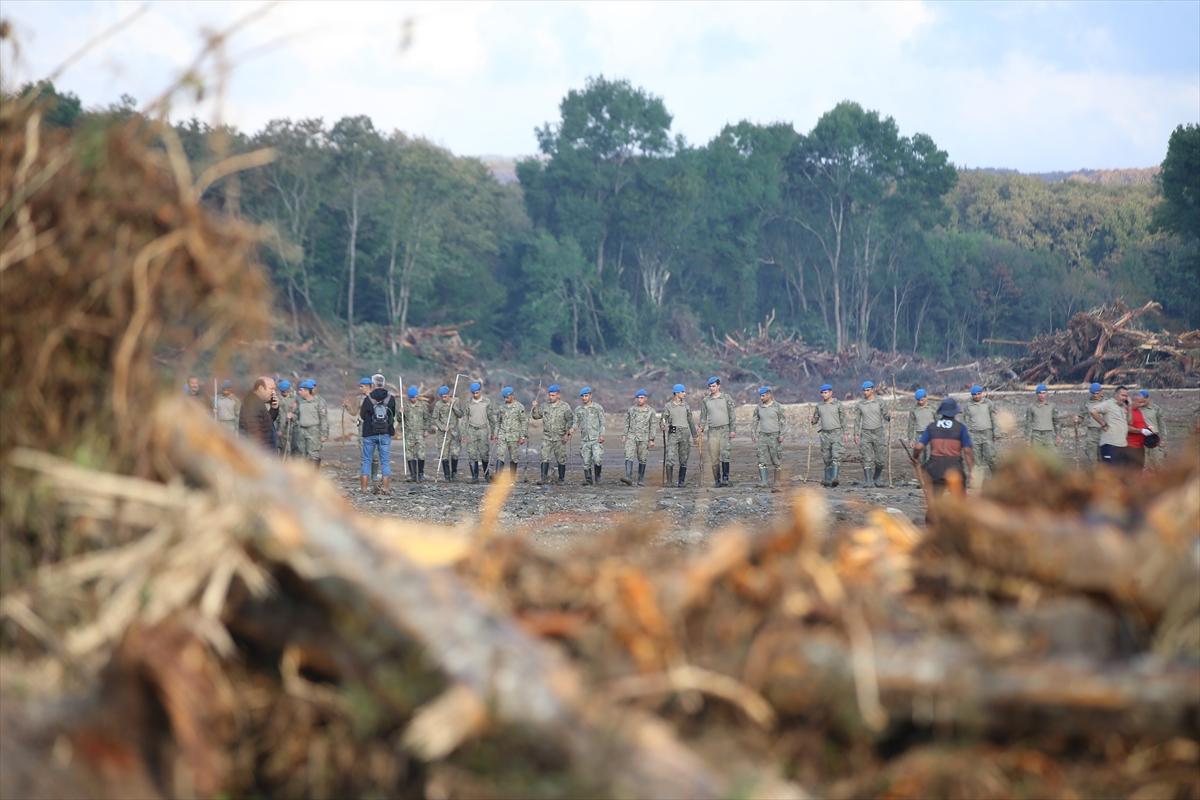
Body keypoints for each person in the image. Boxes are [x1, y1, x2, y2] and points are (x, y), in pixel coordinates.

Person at [913, 397, 975, 510]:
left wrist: (915, 458)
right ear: (955, 412)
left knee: (934, 503)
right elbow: (967, 451)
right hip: (954, 469)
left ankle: (932, 522)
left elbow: (918, 447)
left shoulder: (931, 427)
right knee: (960, 502)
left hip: (935, 470)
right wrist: (971, 471)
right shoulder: (961, 428)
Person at [360, 377, 397, 494]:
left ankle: (364, 488)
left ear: (373, 384)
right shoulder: (391, 398)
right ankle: (386, 488)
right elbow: (392, 415)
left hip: (369, 434)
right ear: (384, 383)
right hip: (385, 434)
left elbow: (362, 416)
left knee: (366, 460)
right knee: (385, 461)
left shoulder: (368, 399)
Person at [531, 384, 574, 485]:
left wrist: (567, 434)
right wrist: (535, 407)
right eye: (550, 395)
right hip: (547, 437)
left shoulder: (565, 406)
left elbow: (570, 420)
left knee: (561, 458)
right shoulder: (545, 406)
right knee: (544, 457)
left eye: (553, 395)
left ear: (558, 395)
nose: (551, 397)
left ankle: (561, 479)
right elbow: (536, 416)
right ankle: (543, 478)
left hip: (560, 437)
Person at [698, 376, 736, 487]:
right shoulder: (706, 400)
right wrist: (701, 427)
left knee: (725, 454)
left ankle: (725, 478)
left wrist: (732, 430)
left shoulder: (726, 398)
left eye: (714, 386)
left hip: (724, 429)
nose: (712, 388)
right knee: (714, 457)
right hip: (712, 431)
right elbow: (703, 416)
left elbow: (732, 415)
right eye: (710, 386)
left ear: (718, 386)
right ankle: (717, 480)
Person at [853, 380, 890, 488]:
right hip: (865, 433)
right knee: (866, 457)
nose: (865, 392)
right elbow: (857, 420)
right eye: (864, 390)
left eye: (868, 390)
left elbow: (885, 415)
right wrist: (856, 434)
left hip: (878, 432)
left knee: (880, 459)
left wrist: (889, 417)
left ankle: (877, 478)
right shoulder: (860, 404)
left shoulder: (880, 401)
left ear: (872, 390)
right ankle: (868, 480)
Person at [660, 384, 697, 488]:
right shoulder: (668, 406)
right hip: (673, 432)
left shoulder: (686, 406)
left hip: (685, 433)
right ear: (676, 393)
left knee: (684, 457)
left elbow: (690, 421)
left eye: (684, 392)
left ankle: (681, 481)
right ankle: (669, 481)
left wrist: (695, 436)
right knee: (670, 456)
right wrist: (662, 425)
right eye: (682, 392)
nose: (684, 394)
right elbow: (663, 419)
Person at [812, 384, 847, 487]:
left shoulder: (838, 404)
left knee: (836, 456)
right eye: (822, 393)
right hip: (825, 434)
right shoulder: (819, 406)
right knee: (827, 458)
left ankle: (834, 478)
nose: (824, 395)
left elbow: (843, 420)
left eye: (826, 392)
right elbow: (815, 418)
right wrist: (813, 420)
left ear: (831, 393)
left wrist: (845, 433)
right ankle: (827, 479)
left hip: (836, 433)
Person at [750, 386, 786, 488]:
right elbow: (754, 421)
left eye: (763, 396)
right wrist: (753, 434)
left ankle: (777, 482)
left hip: (774, 436)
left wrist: (782, 434)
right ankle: (764, 481)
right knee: (761, 459)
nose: (761, 398)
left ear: (769, 395)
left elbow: (783, 422)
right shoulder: (759, 408)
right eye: (760, 396)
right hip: (762, 436)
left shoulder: (777, 407)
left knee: (776, 459)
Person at [1090, 385, 1131, 468]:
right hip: (1110, 445)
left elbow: (1129, 421)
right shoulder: (1108, 404)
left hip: (1122, 445)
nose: (1124, 398)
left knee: (1121, 473)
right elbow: (1093, 411)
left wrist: (1130, 406)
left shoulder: (1123, 407)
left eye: (1126, 396)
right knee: (1111, 473)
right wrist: (1103, 424)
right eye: (1122, 395)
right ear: (1116, 394)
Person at [621, 389, 656, 486]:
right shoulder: (631, 410)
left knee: (643, 458)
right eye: (638, 398)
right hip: (632, 436)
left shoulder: (650, 411)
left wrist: (652, 439)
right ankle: (628, 477)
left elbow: (653, 425)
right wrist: (624, 435)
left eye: (642, 398)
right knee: (628, 455)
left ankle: (640, 479)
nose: (639, 400)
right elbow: (626, 423)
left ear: (646, 399)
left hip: (644, 437)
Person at [963, 385, 1000, 476]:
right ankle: (978, 481)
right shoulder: (968, 405)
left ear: (982, 393)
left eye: (979, 394)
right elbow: (966, 421)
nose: (977, 396)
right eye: (974, 395)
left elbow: (994, 418)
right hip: (974, 435)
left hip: (987, 433)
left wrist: (996, 432)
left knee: (991, 457)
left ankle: (997, 477)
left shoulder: (988, 403)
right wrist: (968, 435)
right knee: (977, 459)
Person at [463, 381, 496, 484]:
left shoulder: (487, 402)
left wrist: (493, 432)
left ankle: (486, 476)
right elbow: (465, 419)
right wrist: (464, 434)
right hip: (471, 430)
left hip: (483, 430)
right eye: (473, 393)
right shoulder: (468, 403)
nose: (475, 395)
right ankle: (474, 477)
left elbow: (491, 418)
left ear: (480, 391)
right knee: (472, 453)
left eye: (477, 392)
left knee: (484, 453)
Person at [492, 386, 528, 479]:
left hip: (514, 436)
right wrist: (495, 434)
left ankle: (512, 477)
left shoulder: (519, 407)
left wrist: (522, 436)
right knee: (500, 454)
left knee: (514, 457)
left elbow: (524, 421)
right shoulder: (501, 407)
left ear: (512, 395)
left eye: (507, 397)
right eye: (504, 397)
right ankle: (498, 477)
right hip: (502, 435)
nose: (505, 399)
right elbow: (498, 422)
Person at [400, 386, 434, 482]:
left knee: (421, 454)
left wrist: (427, 430)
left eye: (414, 397)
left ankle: (420, 474)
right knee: (410, 454)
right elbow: (400, 420)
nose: (413, 399)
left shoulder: (422, 406)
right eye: (411, 398)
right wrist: (400, 413)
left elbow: (427, 418)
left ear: (417, 396)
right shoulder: (405, 406)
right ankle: (413, 475)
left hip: (420, 433)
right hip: (409, 434)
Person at [293, 379, 329, 469]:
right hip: (301, 431)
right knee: (302, 454)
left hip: (314, 431)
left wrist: (324, 434)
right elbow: (297, 416)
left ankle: (314, 477)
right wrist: (292, 414)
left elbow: (323, 419)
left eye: (301, 390)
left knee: (313, 454)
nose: (299, 392)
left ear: (306, 391)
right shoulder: (300, 402)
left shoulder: (319, 401)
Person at [432, 385, 465, 481]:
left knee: (455, 453)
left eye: (445, 396)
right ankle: (447, 476)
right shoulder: (438, 405)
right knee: (444, 454)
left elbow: (460, 415)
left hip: (454, 432)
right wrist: (442, 427)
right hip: (443, 434)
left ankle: (454, 473)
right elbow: (435, 419)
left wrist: (453, 406)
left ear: (449, 395)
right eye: (442, 397)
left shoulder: (456, 401)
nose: (444, 398)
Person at [574, 387, 606, 485]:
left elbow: (602, 423)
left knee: (597, 459)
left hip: (595, 438)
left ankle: (597, 477)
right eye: (583, 396)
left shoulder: (597, 407)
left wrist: (602, 435)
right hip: (585, 440)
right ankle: (588, 479)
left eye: (586, 396)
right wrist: (571, 430)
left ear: (590, 396)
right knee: (586, 461)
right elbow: (576, 422)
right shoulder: (578, 410)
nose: (584, 398)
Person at [239, 376, 279, 449]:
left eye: (274, 389)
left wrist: (274, 408)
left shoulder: (257, 402)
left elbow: (265, 423)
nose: (274, 392)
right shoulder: (251, 404)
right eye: (271, 389)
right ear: (261, 388)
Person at [1024, 384, 1062, 452]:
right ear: (1036, 394)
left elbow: (1056, 421)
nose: (1042, 395)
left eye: (1044, 393)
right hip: (1036, 435)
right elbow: (1028, 423)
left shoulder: (1051, 406)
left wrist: (1058, 435)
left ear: (1046, 394)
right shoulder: (1031, 407)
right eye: (1040, 393)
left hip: (1049, 434)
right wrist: (1027, 439)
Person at [1076, 383, 1104, 466]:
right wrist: (1077, 420)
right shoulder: (1087, 403)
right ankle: (1095, 474)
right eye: (1093, 393)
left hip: (1105, 432)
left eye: (1097, 393)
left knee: (1104, 456)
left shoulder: (1107, 402)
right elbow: (1082, 416)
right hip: (1092, 432)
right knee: (1091, 455)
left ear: (1101, 391)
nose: (1095, 395)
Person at [1124, 389, 1154, 470]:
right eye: (1139, 402)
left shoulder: (1139, 411)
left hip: (1140, 446)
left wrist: (1148, 430)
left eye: (1142, 402)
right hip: (1130, 447)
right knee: (1131, 470)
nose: (1141, 405)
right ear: (1133, 401)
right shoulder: (1127, 411)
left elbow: (1141, 425)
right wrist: (1141, 431)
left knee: (1139, 469)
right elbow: (1126, 427)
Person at [906, 389, 936, 467]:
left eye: (922, 400)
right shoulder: (914, 410)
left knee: (931, 454)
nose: (920, 402)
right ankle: (922, 473)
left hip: (931, 434)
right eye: (918, 400)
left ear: (926, 398)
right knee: (921, 456)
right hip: (919, 435)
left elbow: (939, 422)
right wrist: (910, 439)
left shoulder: (933, 408)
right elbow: (911, 424)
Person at [1139, 389, 1166, 469]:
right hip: (1142, 440)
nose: (1141, 402)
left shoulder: (1155, 409)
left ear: (1148, 398)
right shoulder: (1137, 409)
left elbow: (1162, 425)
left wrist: (1163, 439)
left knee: (1158, 464)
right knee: (1145, 465)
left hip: (1155, 439)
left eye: (1143, 400)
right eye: (1140, 400)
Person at [275, 379, 299, 458]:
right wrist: (279, 430)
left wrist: (293, 416)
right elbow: (277, 416)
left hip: (293, 427)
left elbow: (298, 414)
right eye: (283, 391)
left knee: (294, 448)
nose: (284, 393)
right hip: (281, 427)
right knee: (282, 448)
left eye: (286, 391)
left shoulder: (295, 399)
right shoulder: (277, 399)